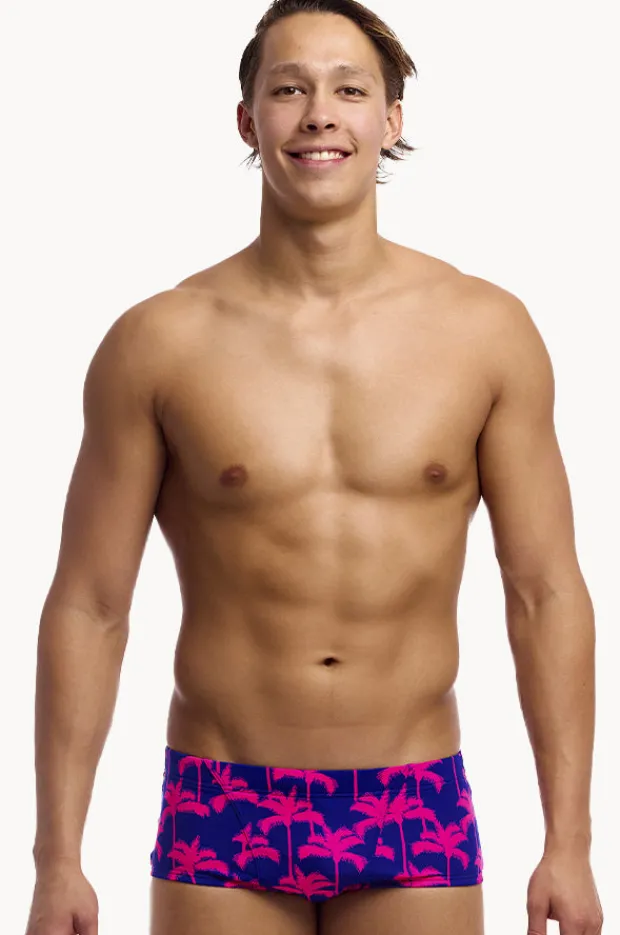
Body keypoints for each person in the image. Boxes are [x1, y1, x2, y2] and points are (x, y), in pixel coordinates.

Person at [25, 1, 604, 934]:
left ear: (392, 118)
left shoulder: (485, 332)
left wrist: (569, 841)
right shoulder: (159, 342)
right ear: (247, 119)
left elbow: (544, 589)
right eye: (289, 89)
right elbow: (90, 603)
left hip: (412, 796)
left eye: (350, 90)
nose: (320, 114)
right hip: (223, 800)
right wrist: (58, 858)